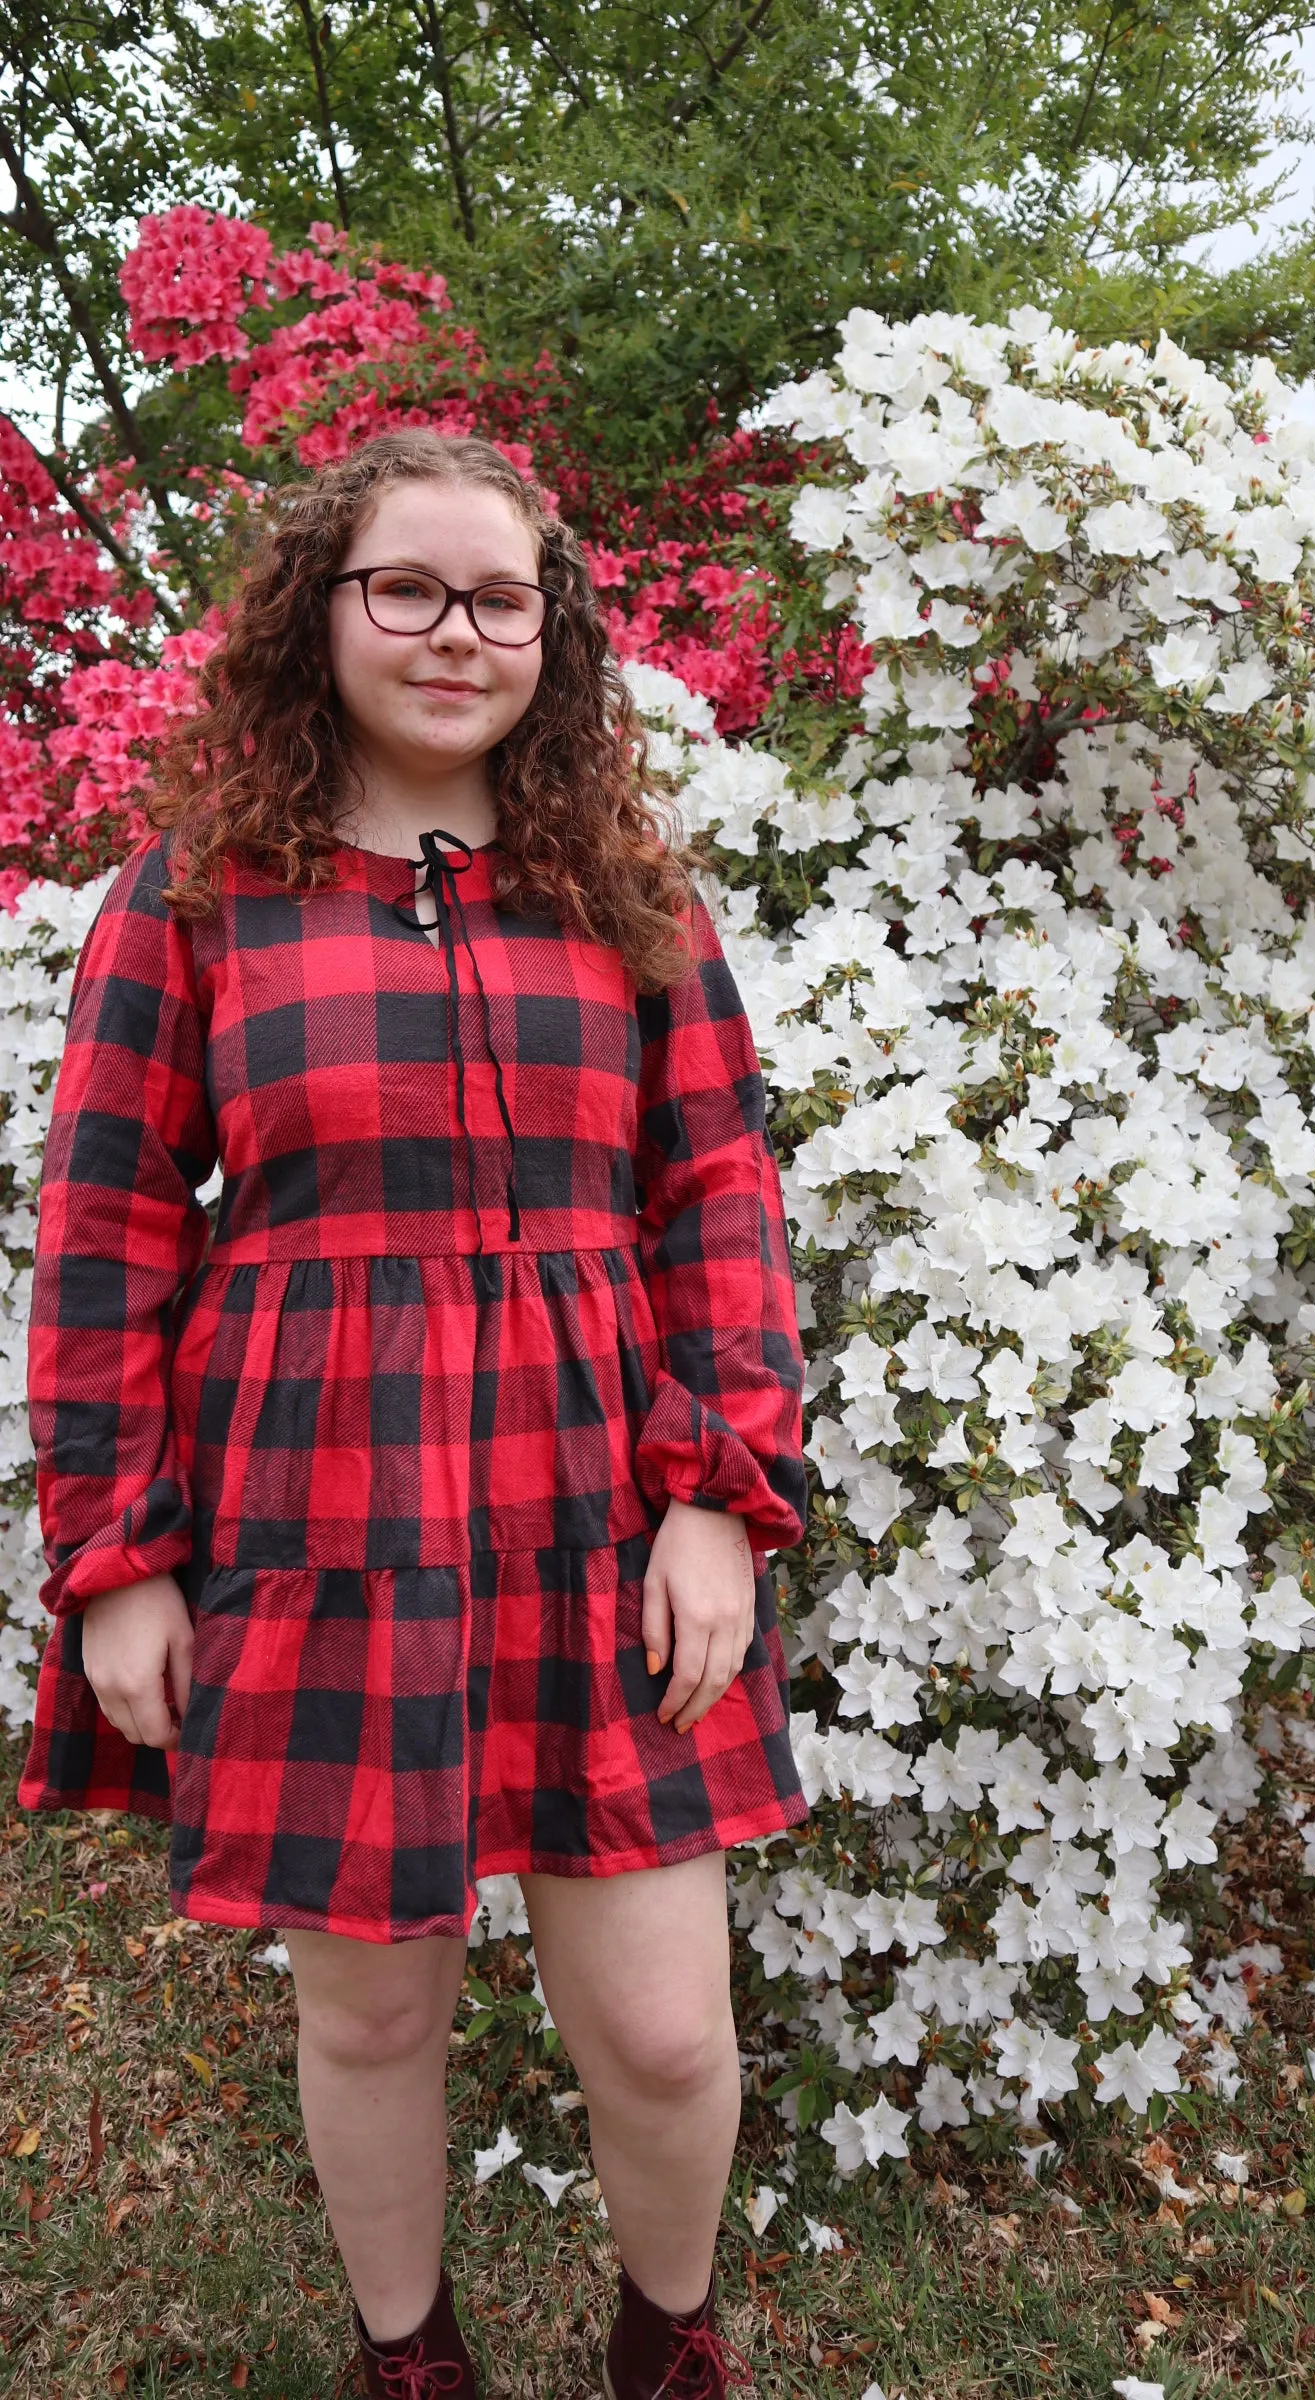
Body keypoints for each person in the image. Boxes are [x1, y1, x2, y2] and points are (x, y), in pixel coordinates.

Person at [18, 430, 811, 2399]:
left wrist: (719, 1492)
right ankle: (409, 2356)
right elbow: (106, 1220)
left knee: (663, 2032)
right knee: (373, 2018)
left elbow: (719, 1186)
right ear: (327, 608)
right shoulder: (198, 896)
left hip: (600, 1510)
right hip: (322, 1512)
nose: (457, 632)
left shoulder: (626, 890)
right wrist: (116, 1557)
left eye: (501, 598)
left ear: (555, 635)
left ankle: (668, 2341)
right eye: (411, 589)